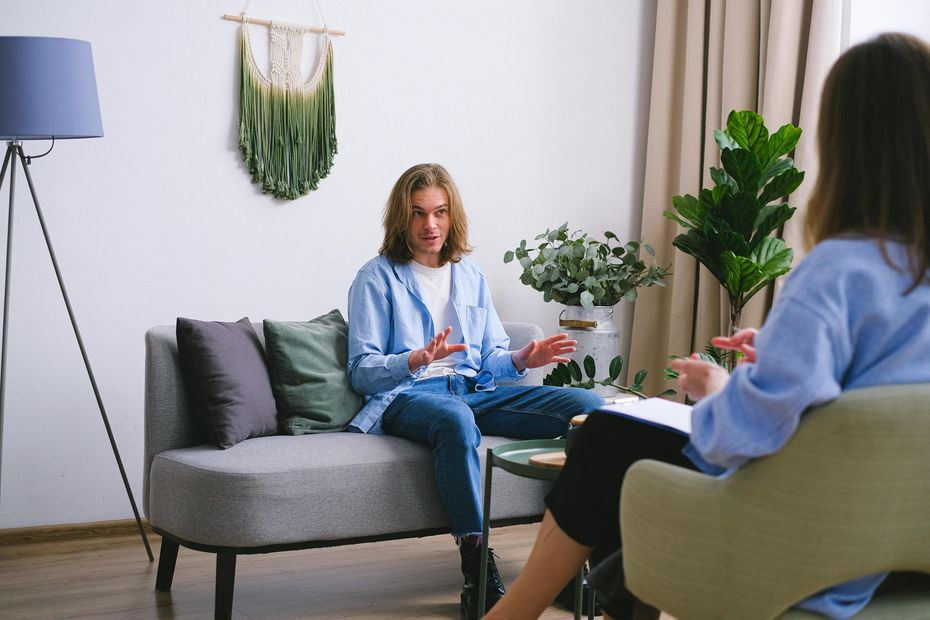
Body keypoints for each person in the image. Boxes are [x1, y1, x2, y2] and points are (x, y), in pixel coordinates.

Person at [485, 31, 930, 620]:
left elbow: (742, 435)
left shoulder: (837, 272)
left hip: (802, 548)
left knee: (606, 437)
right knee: (616, 449)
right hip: (895, 545)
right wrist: (778, 356)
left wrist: (720, 390)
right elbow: (875, 402)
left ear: (844, 143)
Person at [346, 162, 604, 619]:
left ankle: (567, 567)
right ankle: (477, 569)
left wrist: (526, 359)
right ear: (401, 218)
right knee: (455, 418)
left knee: (588, 408)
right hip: (410, 396)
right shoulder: (376, 277)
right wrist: (414, 359)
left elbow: (491, 361)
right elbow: (362, 371)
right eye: (418, 213)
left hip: (470, 389)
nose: (431, 225)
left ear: (452, 215)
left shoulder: (471, 275)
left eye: (440, 212)